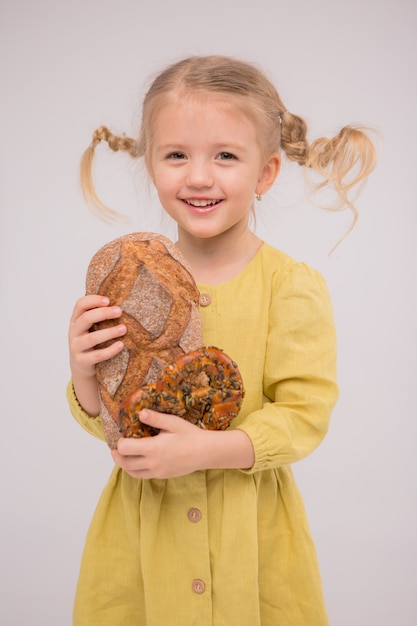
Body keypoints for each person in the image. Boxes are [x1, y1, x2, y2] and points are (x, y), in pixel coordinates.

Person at [67, 55, 376, 625]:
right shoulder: (129, 283)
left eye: (226, 156)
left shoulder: (289, 285)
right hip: (144, 535)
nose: (199, 176)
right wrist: (86, 374)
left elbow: (304, 415)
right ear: (151, 165)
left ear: (266, 173)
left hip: (250, 536)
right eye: (177, 154)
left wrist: (208, 451)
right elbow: (109, 424)